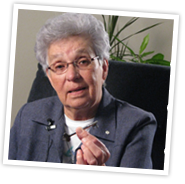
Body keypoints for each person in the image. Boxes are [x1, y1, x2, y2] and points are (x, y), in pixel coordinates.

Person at [9, 13, 157, 168]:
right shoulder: (27, 116)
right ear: (50, 77)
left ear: (104, 68)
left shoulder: (137, 125)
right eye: (60, 66)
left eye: (83, 61)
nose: (72, 76)